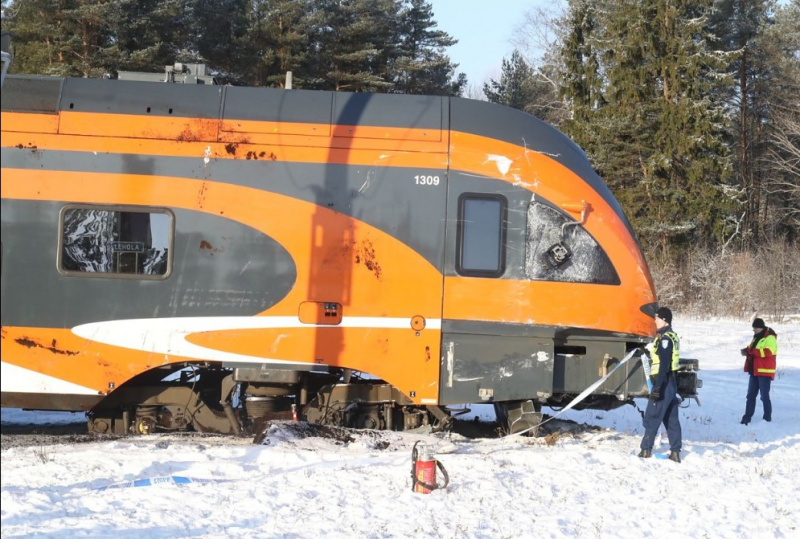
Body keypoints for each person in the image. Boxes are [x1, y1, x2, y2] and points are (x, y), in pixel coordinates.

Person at [638, 306, 682, 463]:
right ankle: (675, 452)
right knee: (671, 419)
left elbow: (664, 365)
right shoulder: (670, 336)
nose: (655, 321)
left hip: (663, 382)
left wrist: (657, 388)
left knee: (652, 416)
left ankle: (645, 450)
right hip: (670, 382)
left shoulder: (665, 339)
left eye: (657, 318)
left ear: (664, 321)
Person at [740, 318, 778, 425]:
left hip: (764, 372)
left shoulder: (770, 338)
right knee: (750, 396)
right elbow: (752, 349)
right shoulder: (756, 337)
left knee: (764, 396)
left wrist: (751, 351)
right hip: (754, 371)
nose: (754, 331)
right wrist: (746, 350)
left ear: (760, 327)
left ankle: (767, 419)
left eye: (755, 328)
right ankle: (747, 418)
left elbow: (768, 352)